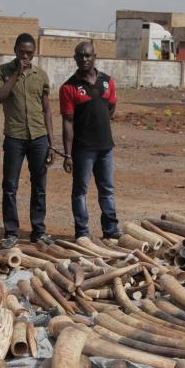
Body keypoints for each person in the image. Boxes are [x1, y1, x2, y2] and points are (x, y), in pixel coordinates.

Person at [0, 33, 55, 249]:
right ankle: (11, 232)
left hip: (38, 137)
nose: (26, 56)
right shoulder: (2, 71)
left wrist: (52, 143)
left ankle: (39, 231)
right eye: (22, 52)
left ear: (34, 52)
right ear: (15, 50)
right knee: (10, 186)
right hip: (14, 137)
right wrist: (16, 75)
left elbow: (47, 109)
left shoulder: (41, 75)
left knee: (40, 186)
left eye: (29, 52)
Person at [60, 42, 120, 240]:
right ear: (75, 58)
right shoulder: (69, 87)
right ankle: (82, 232)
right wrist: (68, 154)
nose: (84, 59)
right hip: (83, 149)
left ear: (95, 56)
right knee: (80, 191)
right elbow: (68, 122)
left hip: (106, 148)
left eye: (88, 56)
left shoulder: (107, 82)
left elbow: (111, 108)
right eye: (80, 56)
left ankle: (110, 231)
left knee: (107, 190)